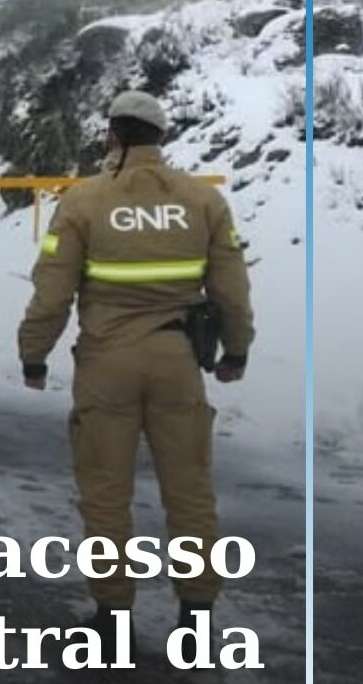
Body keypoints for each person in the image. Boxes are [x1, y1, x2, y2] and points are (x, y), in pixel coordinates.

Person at [17, 90, 255, 649]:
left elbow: (51, 291)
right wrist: (236, 351)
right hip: (178, 363)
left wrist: (34, 354)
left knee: (105, 492)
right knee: (191, 489)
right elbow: (232, 290)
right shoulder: (203, 201)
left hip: (106, 363)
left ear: (112, 137)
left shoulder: (83, 202)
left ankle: (112, 620)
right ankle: (196, 620)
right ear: (161, 138)